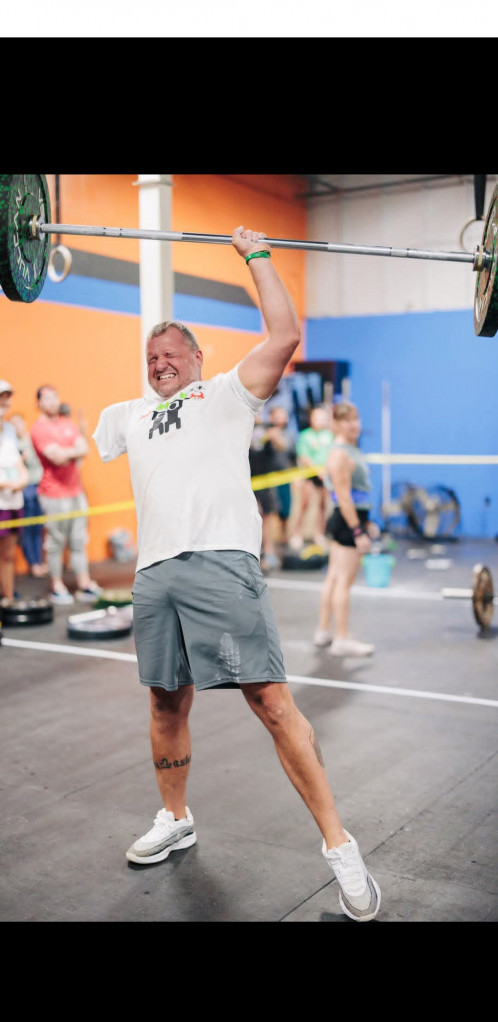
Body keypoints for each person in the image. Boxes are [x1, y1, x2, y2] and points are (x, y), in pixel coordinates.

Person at [93, 226, 381, 922]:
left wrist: (255, 257)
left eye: (172, 352)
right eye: (151, 356)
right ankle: (175, 818)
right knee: (165, 704)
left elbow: (285, 334)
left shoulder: (226, 393)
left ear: (198, 357)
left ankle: (340, 846)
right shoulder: (126, 415)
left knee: (272, 703)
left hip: (221, 562)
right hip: (154, 574)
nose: (160, 362)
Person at [314, 401, 380, 657]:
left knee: (334, 577)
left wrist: (365, 522)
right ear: (337, 424)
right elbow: (343, 497)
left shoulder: (350, 450)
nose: (354, 425)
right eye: (347, 420)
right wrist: (357, 531)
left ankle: (324, 631)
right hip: (346, 520)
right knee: (344, 581)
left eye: (356, 419)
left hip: (350, 518)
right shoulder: (340, 454)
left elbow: (355, 494)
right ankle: (341, 639)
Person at [30, 385, 102, 604]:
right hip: (53, 494)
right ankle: (57, 586)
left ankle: (84, 584)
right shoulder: (39, 429)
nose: (52, 402)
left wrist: (67, 453)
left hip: (76, 492)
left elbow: (84, 449)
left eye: (55, 397)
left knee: (79, 541)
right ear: (39, 403)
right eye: (47, 398)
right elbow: (56, 458)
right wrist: (72, 452)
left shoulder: (67, 423)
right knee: (56, 542)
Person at [249, 403, 295, 570]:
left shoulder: (269, 428)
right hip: (248, 477)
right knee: (252, 515)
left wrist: (273, 438)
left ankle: (269, 552)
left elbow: (282, 446)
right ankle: (253, 551)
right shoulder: (244, 426)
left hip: (267, 479)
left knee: (268, 516)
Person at [288, 405, 335, 550]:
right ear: (311, 419)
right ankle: (297, 534)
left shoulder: (329, 436)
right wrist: (316, 470)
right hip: (309, 475)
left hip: (325, 475)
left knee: (323, 505)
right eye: (316, 417)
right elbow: (303, 456)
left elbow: (333, 454)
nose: (319, 420)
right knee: (305, 503)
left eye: (322, 417)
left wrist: (327, 471)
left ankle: (319, 534)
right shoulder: (305, 436)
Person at [9, 412, 49, 577]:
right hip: (24, 489)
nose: (16, 427)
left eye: (18, 423)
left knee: (38, 528)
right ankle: (33, 564)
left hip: (39, 487)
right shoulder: (12, 446)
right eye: (13, 424)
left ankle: (39, 562)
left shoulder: (33, 440)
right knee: (27, 529)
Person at [0, 381, 29, 600]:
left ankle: (8, 599)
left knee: (8, 554)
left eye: (7, 397)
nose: (4, 402)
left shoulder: (9, 430)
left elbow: (19, 464)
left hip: (12, 502)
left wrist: (22, 479)